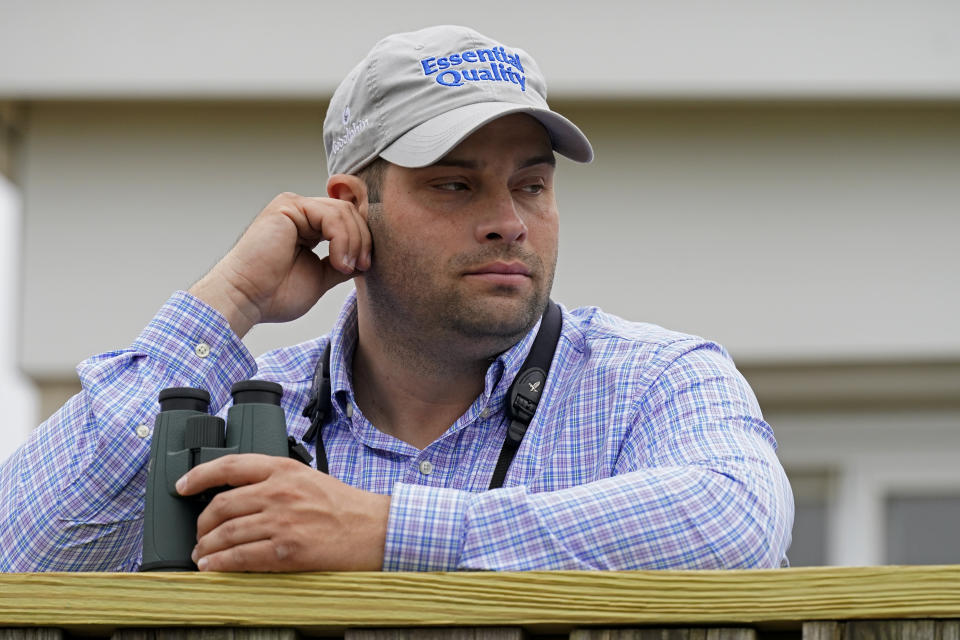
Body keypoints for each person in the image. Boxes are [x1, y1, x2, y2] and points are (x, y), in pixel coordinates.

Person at [0, 25, 793, 572]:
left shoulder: (654, 377)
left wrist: (378, 531)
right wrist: (230, 299)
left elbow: (734, 523)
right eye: (455, 184)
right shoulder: (250, 406)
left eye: (532, 184)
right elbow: (20, 554)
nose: (509, 223)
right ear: (352, 204)